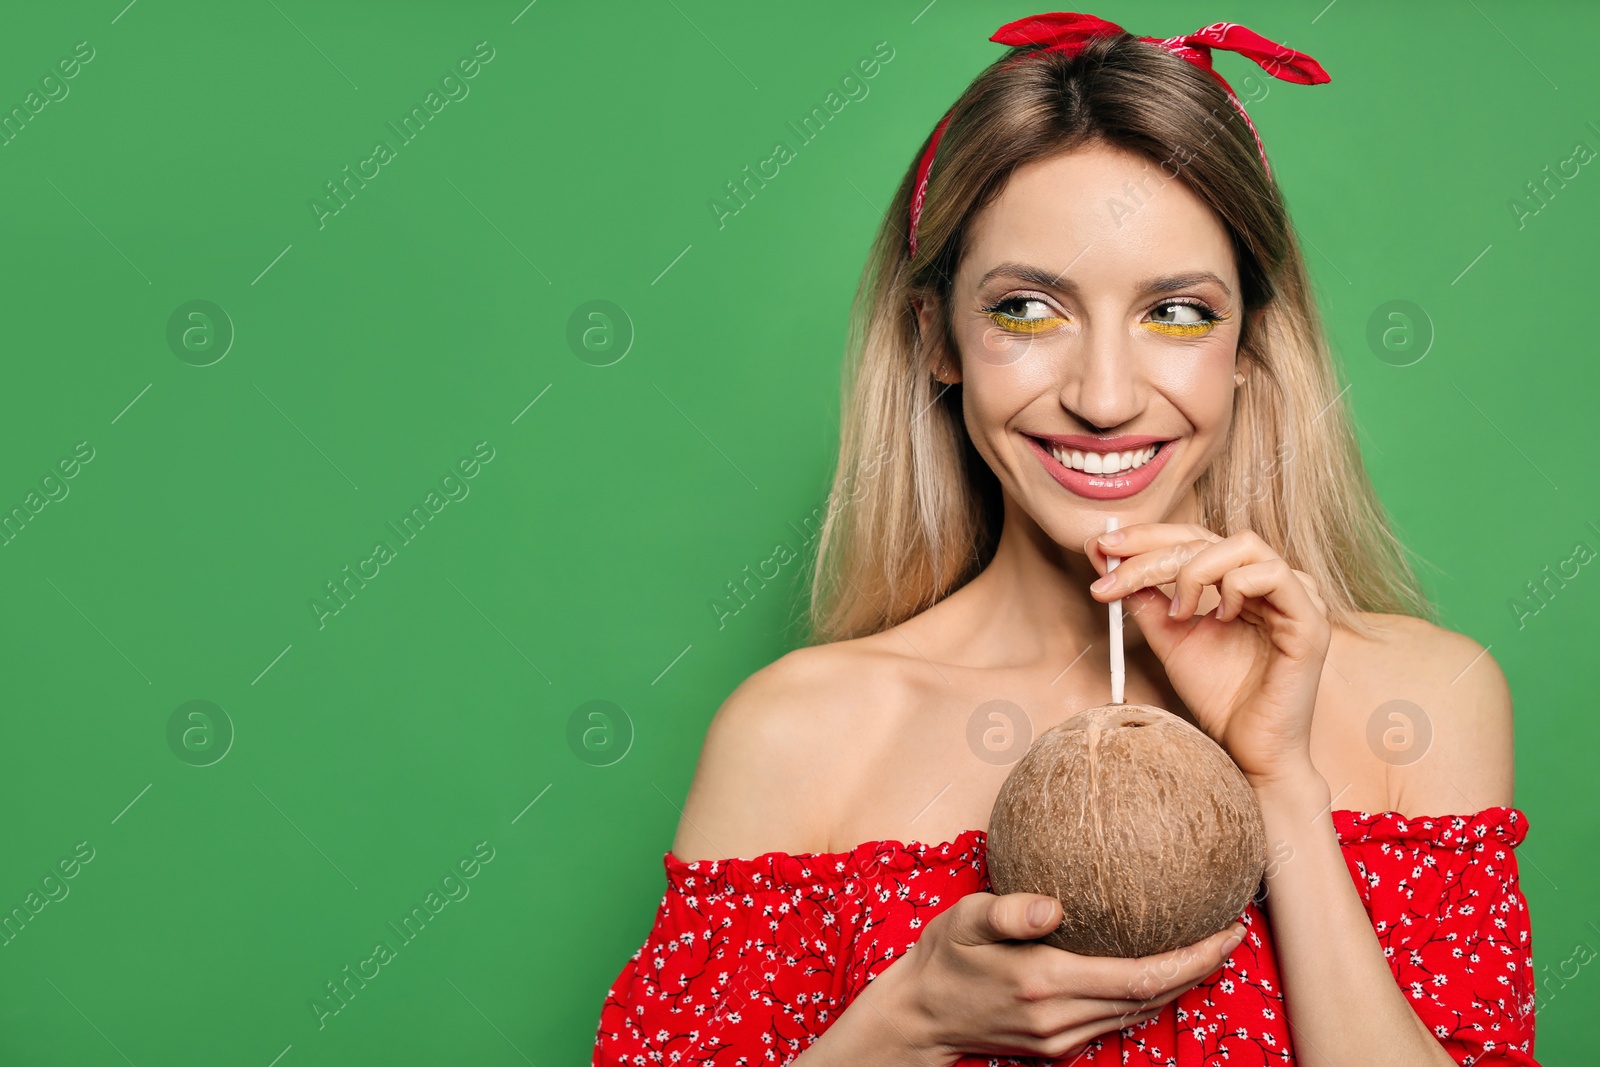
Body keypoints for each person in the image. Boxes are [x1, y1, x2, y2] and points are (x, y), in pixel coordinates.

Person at [593, 12, 1538, 1066]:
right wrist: (907, 1023)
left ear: (1245, 348)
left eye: (1175, 311)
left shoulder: (1425, 700)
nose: (1102, 395)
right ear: (937, 339)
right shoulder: (799, 735)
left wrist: (1281, 784)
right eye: (1029, 308)